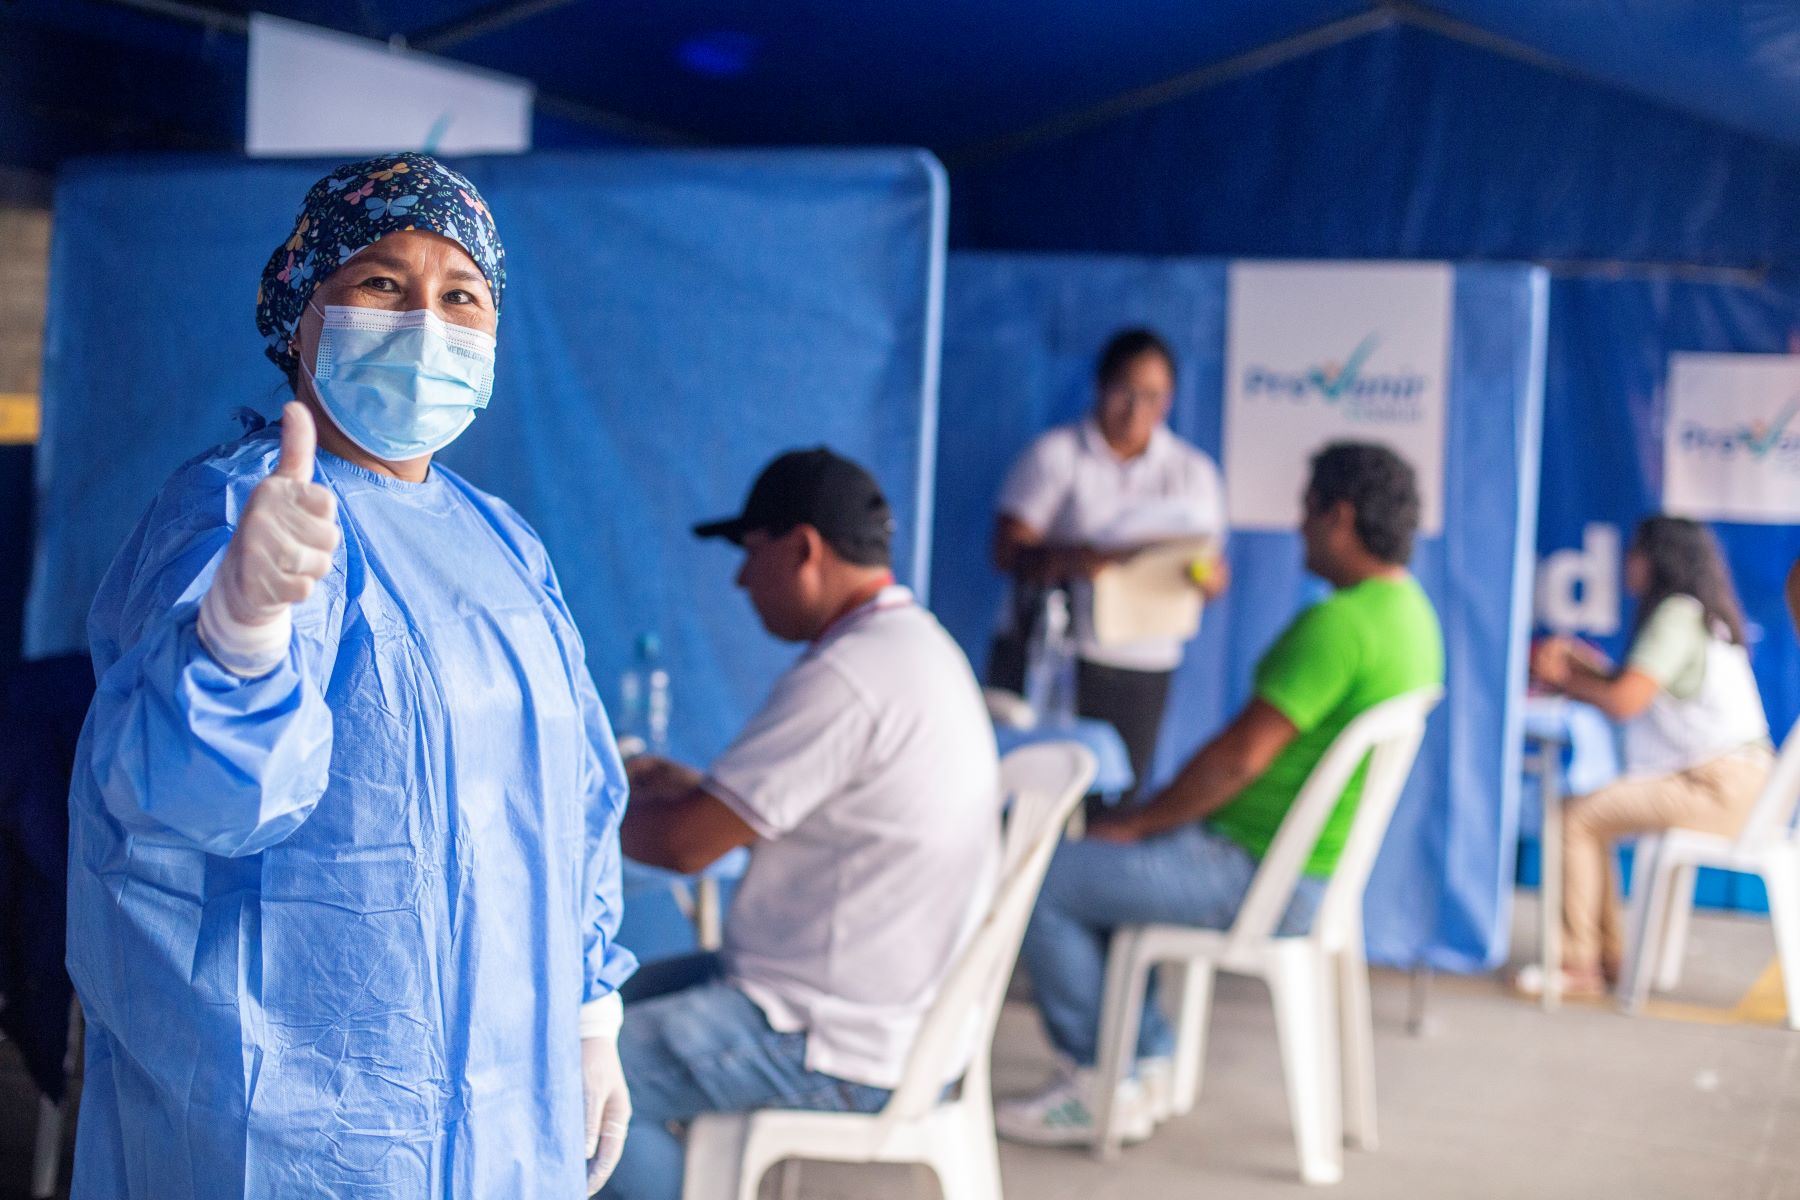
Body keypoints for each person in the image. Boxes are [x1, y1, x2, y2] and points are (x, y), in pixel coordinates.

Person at [65, 154, 636, 1198]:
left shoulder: (499, 541)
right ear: (302, 307)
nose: (427, 322)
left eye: (459, 294)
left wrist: (592, 1010)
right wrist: (236, 645)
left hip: (506, 1102)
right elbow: (188, 805)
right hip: (295, 1123)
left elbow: (573, 796)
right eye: (382, 282)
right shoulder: (243, 518)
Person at [996, 442, 1443, 1146]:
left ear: (1340, 516)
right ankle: (1142, 1058)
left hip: (1251, 871)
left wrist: (1139, 824)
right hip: (1300, 872)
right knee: (1096, 873)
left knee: (1043, 877)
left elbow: (1235, 761)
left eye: (1307, 511)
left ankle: (1097, 1079)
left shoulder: (1339, 625)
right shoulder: (1412, 616)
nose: (1299, 528)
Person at [606, 448, 1001, 1200]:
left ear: (805, 549)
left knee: (563, 1070)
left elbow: (684, 845)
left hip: (824, 1036)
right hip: (878, 1011)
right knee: (597, 1002)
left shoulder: (849, 676)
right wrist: (703, 789)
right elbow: (815, 804)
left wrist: (561, 808)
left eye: (751, 555)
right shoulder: (913, 647)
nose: (740, 580)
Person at [1527, 516, 1771, 998]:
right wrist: (1581, 664)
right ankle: (1606, 956)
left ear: (1659, 559)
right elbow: (1637, 687)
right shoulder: (1699, 614)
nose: (1627, 563)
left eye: (1635, 552)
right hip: (1741, 784)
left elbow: (1624, 701)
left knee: (1575, 815)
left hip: (1718, 787)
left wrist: (1564, 679)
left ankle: (1579, 964)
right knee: (1589, 813)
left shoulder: (1677, 614)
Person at [991, 327, 1229, 797]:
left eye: (1153, 396)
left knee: (1113, 797)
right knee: (1030, 789)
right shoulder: (1055, 456)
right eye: (1126, 392)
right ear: (1100, 385)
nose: (1137, 409)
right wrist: (1081, 560)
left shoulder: (1193, 472)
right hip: (1052, 653)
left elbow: (1214, 572)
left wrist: (1203, 577)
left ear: (1170, 400)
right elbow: (1005, 550)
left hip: (1142, 661)